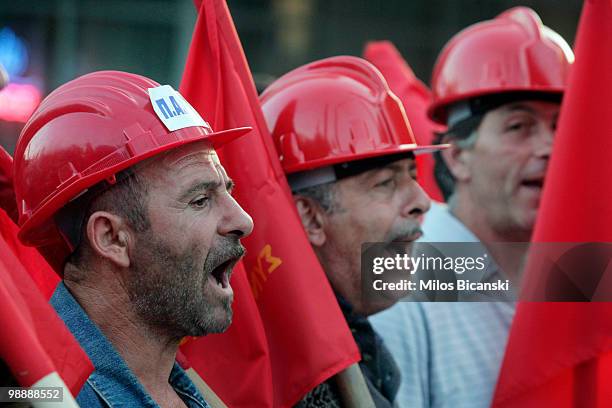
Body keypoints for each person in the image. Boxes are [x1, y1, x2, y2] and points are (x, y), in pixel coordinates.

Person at [369, 7, 574, 408]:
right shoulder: (402, 276)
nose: (550, 148)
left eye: (561, 126)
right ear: (457, 157)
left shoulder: (581, 268)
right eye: (519, 127)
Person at [12, 71, 254, 407]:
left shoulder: (187, 392)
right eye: (200, 200)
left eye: (228, 191)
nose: (243, 220)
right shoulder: (38, 396)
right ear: (111, 238)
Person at [261, 56, 446, 407]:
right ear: (310, 219)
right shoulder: (280, 380)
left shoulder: (356, 342)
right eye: (386, 183)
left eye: (413, 173)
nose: (422, 201)